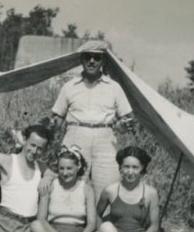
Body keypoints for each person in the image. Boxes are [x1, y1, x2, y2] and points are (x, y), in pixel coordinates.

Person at [48, 40, 135, 200]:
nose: (92, 61)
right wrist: (51, 125)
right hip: (75, 136)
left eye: (97, 57)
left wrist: (123, 126)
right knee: (71, 185)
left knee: (107, 188)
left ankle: (101, 217)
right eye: (88, 57)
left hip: (105, 139)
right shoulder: (69, 86)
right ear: (82, 60)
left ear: (103, 61)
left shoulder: (114, 87)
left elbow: (127, 120)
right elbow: (57, 120)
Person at [97, 146, 174, 232]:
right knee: (105, 226)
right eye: (126, 167)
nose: (130, 172)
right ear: (120, 168)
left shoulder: (151, 193)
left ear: (142, 168)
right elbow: (97, 216)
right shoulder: (110, 190)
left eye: (135, 167)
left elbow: (154, 226)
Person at [28, 145, 103, 232]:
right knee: (35, 226)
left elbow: (92, 223)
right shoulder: (50, 185)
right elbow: (41, 219)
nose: (65, 172)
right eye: (61, 168)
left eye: (69, 168)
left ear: (78, 166)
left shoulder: (87, 189)